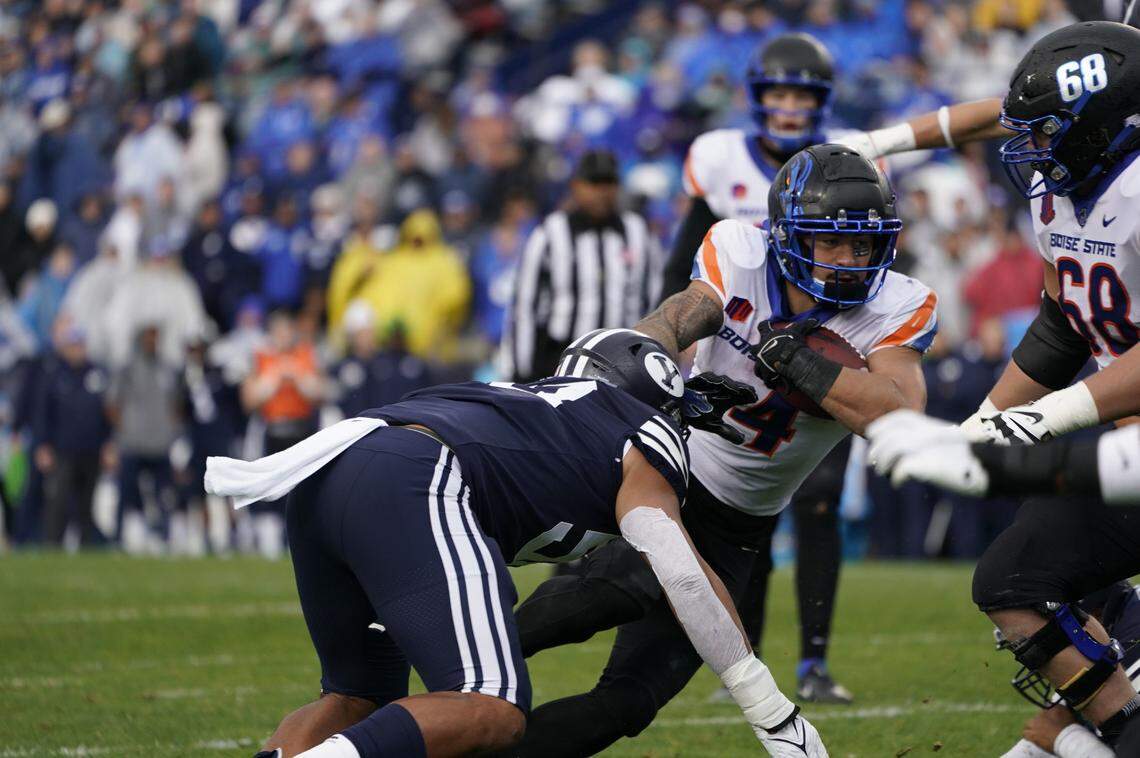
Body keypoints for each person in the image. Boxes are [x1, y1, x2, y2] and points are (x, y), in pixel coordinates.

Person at [205, 330, 828, 757]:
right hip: (416, 479)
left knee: (355, 697)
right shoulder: (646, 436)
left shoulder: (540, 402)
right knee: (493, 707)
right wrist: (771, 711)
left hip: (333, 468)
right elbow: (684, 575)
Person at [507, 144, 936, 757]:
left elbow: (902, 415)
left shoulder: (898, 304)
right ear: (789, 235)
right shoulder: (740, 253)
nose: (848, 261)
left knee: (629, 702)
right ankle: (438, 669)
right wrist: (657, 366)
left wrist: (803, 365)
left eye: (862, 245)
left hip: (740, 531)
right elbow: (677, 318)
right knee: (600, 596)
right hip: (673, 484)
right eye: (830, 243)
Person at [655, 32, 1010, 699]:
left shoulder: (852, 153)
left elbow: (876, 248)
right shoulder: (719, 157)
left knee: (815, 505)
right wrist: (669, 338)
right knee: (743, 504)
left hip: (833, 341)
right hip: (736, 339)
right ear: (758, 98)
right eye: (779, 93)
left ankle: (813, 662)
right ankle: (744, 653)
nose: (789, 107)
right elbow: (686, 263)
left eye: (802, 95)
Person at [867, 21, 1140, 750]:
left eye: (1049, 133)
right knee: (1016, 579)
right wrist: (984, 422)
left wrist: (1046, 420)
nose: (1032, 152)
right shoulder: (1061, 193)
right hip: (1128, 454)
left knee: (1024, 579)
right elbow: (1061, 325)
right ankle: (1107, 722)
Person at [504, 149, 662, 383]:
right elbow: (526, 308)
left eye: (608, 183)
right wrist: (523, 373)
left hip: (624, 364)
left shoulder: (638, 232)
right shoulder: (550, 233)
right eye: (593, 183)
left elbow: (654, 302)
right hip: (562, 360)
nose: (601, 192)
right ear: (576, 186)